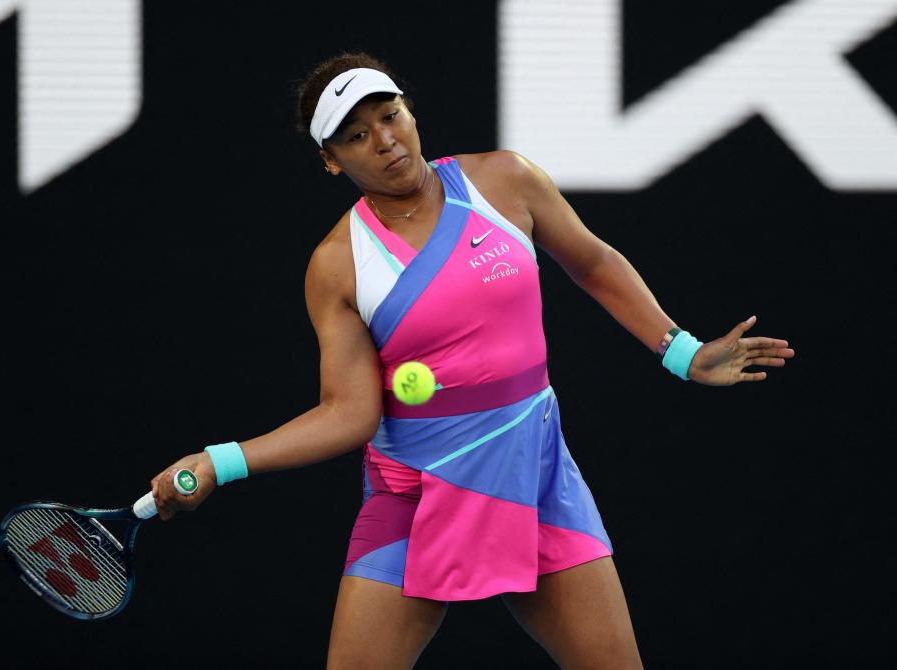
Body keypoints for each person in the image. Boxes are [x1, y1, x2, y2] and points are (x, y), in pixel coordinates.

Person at [148, 52, 795, 669]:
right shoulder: (337, 265)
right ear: (330, 161)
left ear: (409, 109)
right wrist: (221, 460)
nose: (384, 140)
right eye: (355, 135)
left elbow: (593, 263)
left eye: (390, 115)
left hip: (534, 479)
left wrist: (682, 353)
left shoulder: (506, 180)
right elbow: (348, 414)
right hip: (415, 499)